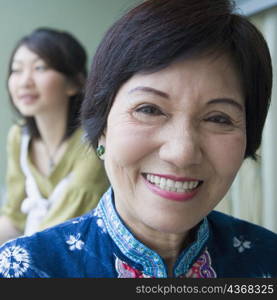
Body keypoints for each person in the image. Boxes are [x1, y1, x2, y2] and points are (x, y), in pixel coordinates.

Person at [0, 0, 276, 278]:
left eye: (218, 118)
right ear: (101, 127)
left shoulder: (268, 260)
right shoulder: (25, 270)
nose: (181, 152)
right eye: (149, 110)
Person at [0, 28, 109, 245]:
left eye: (40, 68)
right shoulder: (19, 137)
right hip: (31, 251)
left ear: (75, 83)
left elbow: (59, 232)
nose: (24, 82)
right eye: (17, 70)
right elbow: (13, 219)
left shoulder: (92, 141)